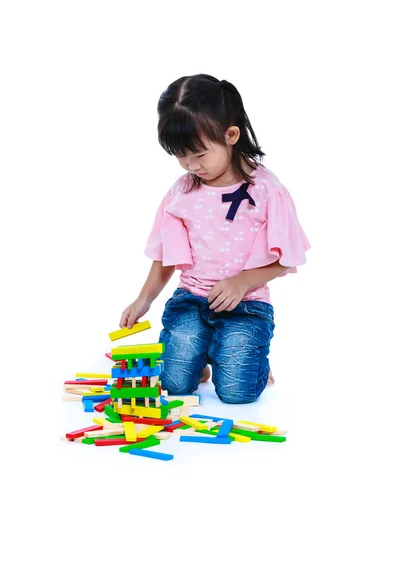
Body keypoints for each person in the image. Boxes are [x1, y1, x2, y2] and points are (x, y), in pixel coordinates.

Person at [120, 74, 311, 404]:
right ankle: (202, 357)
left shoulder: (266, 191)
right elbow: (166, 256)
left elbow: (287, 256)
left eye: (199, 154)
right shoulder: (182, 191)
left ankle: (251, 363)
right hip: (191, 299)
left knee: (238, 393)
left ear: (231, 135)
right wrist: (144, 299)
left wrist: (242, 282)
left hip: (246, 306)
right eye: (181, 157)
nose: (191, 166)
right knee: (173, 385)